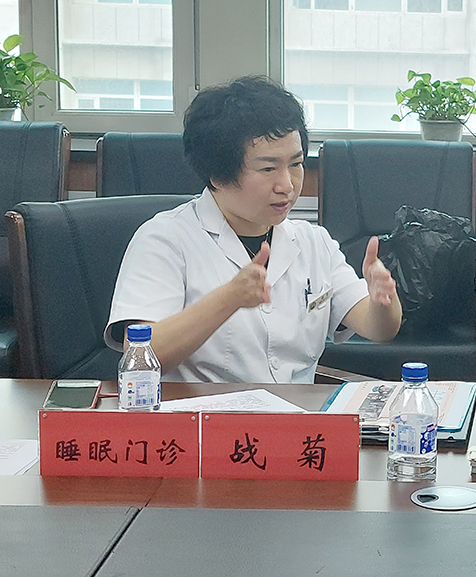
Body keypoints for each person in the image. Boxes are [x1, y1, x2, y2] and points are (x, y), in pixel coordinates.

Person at [104, 76, 402, 383]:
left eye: (296, 164)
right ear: (218, 175)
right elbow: (141, 358)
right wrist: (230, 298)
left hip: (299, 411)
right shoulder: (164, 239)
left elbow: (379, 329)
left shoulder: (314, 242)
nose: (287, 185)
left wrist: (383, 301)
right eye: (268, 168)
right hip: (206, 411)